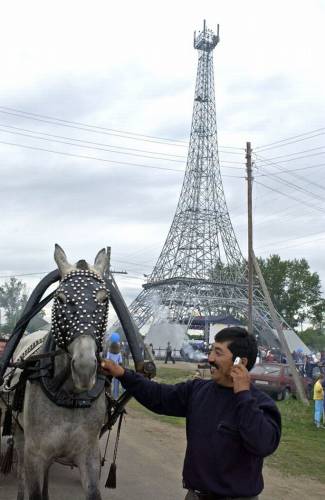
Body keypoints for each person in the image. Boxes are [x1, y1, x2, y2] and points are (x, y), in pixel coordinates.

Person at [101, 327, 281, 499]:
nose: (210, 358)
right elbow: (159, 396)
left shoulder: (260, 404)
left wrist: (243, 394)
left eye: (218, 353)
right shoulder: (197, 390)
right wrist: (123, 374)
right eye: (211, 351)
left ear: (240, 363)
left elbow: (263, 444)